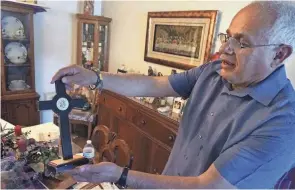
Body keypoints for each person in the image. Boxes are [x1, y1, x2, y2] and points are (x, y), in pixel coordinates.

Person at [51, 1, 295, 189]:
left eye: (242, 43)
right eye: (228, 37)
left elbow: (206, 186)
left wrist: (120, 175)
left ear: (279, 54)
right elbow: (156, 84)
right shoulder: (213, 72)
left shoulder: (283, 123)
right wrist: (95, 77)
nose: (225, 49)